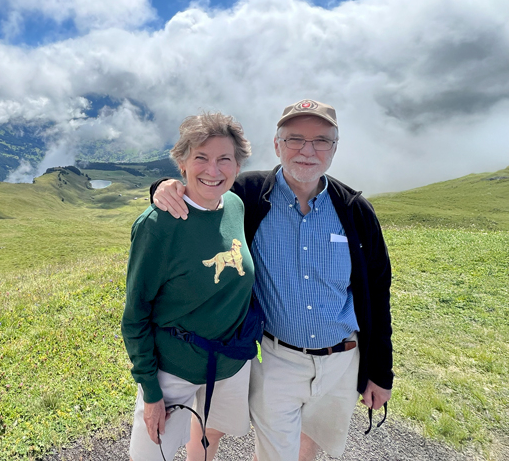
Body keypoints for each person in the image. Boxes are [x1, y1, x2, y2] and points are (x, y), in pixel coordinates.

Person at [151, 99, 393, 461]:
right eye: (295, 139)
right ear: (277, 145)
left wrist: (380, 371)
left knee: (311, 440)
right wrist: (163, 186)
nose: (307, 151)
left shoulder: (356, 210)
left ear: (334, 148)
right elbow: (204, 189)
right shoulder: (248, 196)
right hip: (278, 359)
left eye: (321, 141)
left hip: (344, 360)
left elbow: (377, 290)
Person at [122, 112, 263, 461]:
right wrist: (151, 393)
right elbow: (135, 315)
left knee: (208, 437)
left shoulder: (235, 205)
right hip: (174, 373)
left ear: (238, 165)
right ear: (182, 162)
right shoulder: (157, 225)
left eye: (224, 159)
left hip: (229, 363)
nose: (213, 170)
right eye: (201, 157)